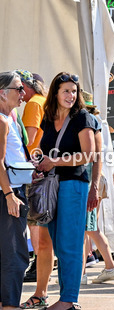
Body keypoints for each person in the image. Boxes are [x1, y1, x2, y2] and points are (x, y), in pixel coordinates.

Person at [32, 73, 97, 310]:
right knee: (58, 242)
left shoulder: (82, 117)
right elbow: (43, 148)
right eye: (66, 91)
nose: (71, 96)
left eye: (74, 91)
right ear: (55, 94)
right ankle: (65, 296)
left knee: (69, 243)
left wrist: (55, 161)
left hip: (73, 184)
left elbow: (89, 155)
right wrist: (39, 161)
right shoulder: (48, 118)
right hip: (51, 185)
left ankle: (68, 300)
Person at [0, 72, 35, 310]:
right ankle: (11, 306)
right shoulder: (3, 121)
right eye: (18, 88)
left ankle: (7, 304)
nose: (23, 93)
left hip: (9, 190)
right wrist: (10, 194)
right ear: (3, 92)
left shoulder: (7, 119)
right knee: (15, 250)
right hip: (9, 192)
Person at [16, 70, 52, 292]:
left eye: (21, 87)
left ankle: (38, 264)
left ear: (28, 87)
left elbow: (29, 138)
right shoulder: (44, 101)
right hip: (44, 165)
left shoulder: (33, 104)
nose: (20, 93)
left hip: (32, 166)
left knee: (34, 220)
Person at [81, 92, 114, 284]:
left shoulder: (89, 122)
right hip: (93, 180)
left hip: (89, 181)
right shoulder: (95, 122)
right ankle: (97, 269)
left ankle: (104, 268)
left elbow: (95, 157)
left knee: (89, 228)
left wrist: (92, 187)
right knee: (89, 228)